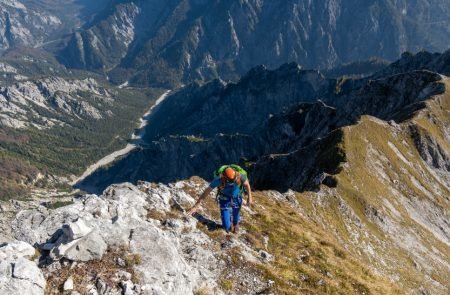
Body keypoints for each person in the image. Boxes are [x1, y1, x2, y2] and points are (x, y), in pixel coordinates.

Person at [187, 165, 252, 233]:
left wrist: (250, 197)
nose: (232, 182)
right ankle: (229, 224)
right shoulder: (218, 180)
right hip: (224, 199)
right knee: (226, 227)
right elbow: (206, 192)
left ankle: (235, 224)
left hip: (237, 198)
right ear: (224, 178)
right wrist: (195, 207)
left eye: (233, 180)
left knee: (236, 215)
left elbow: (247, 184)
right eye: (230, 181)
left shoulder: (240, 176)